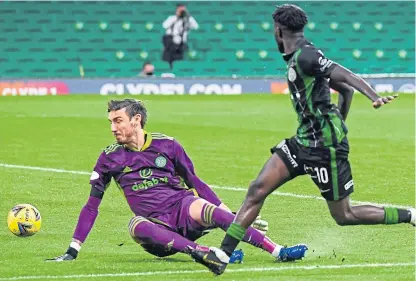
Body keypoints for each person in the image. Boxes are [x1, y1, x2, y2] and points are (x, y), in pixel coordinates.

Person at [194, 4, 416, 275]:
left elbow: (346, 77)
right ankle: (223, 255)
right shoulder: (298, 57)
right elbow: (344, 91)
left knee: (344, 216)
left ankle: (411, 215)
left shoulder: (307, 56)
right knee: (257, 189)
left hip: (325, 150)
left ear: (278, 30)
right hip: (301, 143)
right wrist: (339, 121)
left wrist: (373, 97)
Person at [46, 99, 307, 263]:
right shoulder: (109, 158)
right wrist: (73, 248)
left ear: (136, 120)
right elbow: (92, 205)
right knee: (135, 224)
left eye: (118, 121)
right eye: (110, 122)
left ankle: (278, 251)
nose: (113, 128)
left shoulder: (167, 145)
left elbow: (194, 181)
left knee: (208, 209)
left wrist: (226, 212)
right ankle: (206, 252)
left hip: (182, 209)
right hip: (156, 230)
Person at [162, 3, 198, 70]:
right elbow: (164, 25)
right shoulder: (172, 18)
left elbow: (195, 26)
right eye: (180, 9)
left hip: (181, 43)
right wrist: (177, 17)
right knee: (168, 59)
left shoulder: (188, 19)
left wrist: (188, 16)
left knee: (179, 61)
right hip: (170, 43)